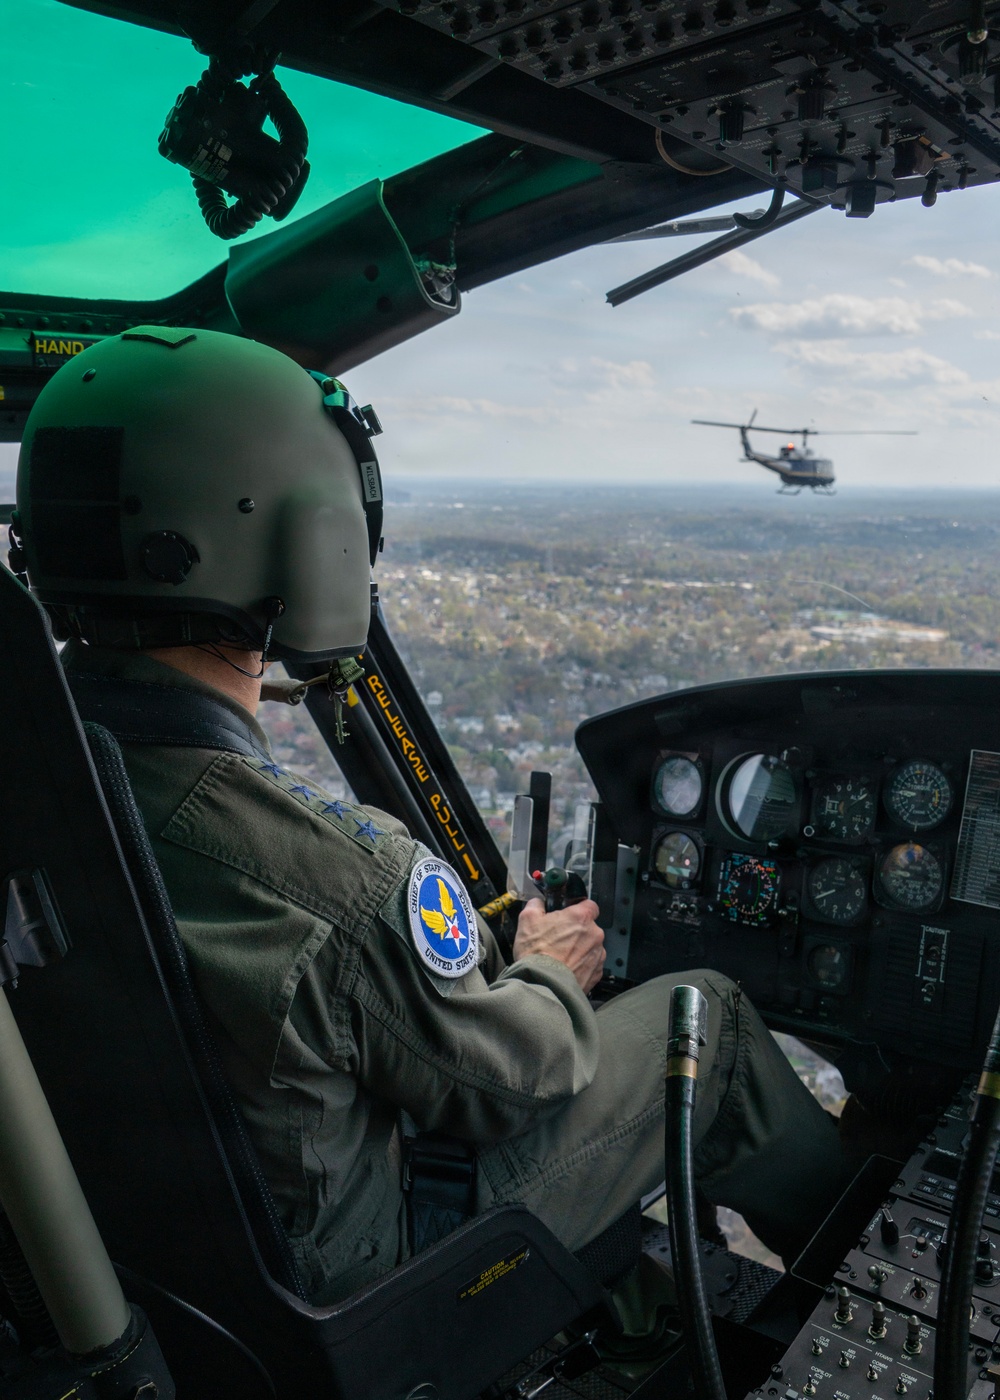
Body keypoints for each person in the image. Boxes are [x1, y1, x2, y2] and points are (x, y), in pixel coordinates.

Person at [11, 325, 848, 1306]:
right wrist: (545, 966)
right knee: (707, 1022)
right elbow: (515, 1081)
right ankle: (889, 1296)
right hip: (343, 1286)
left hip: (133, 1281)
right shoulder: (331, 875)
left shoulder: (39, 780)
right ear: (313, 546)